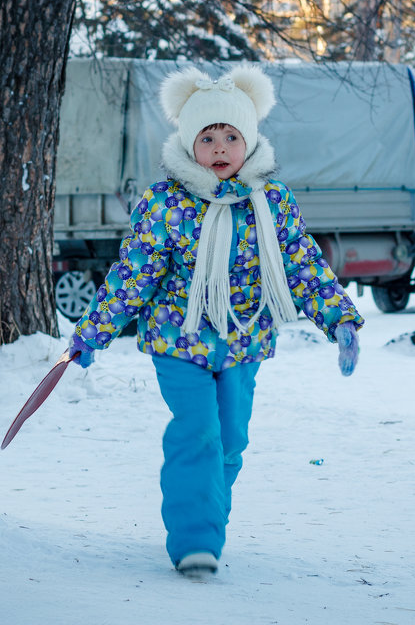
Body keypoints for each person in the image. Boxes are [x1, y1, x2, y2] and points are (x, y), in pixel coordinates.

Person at [66, 64, 363, 577]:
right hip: (178, 342)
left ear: (248, 142)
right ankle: (195, 542)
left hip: (243, 342)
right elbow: (134, 271)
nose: (221, 148)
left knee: (230, 443)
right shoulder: (167, 203)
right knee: (197, 432)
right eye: (208, 137)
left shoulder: (270, 201)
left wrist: (339, 319)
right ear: (189, 142)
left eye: (231, 136)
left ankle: (206, 514)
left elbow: (303, 265)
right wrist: (94, 331)